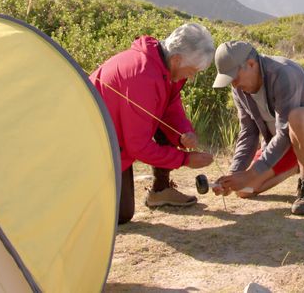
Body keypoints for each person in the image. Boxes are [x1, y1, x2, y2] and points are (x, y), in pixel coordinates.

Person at [89, 23, 216, 224]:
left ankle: (161, 190)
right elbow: (138, 146)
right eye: (191, 71)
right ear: (177, 59)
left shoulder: (163, 65)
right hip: (94, 147)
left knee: (121, 213)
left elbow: (170, 106)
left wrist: (184, 133)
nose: (191, 77)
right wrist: (185, 160)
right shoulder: (142, 77)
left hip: (116, 139)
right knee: (119, 216)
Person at [210, 41, 304, 215]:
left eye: (234, 77)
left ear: (251, 64)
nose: (234, 85)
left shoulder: (284, 72)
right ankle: (301, 164)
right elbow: (249, 132)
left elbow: (284, 131)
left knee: (298, 117)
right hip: (287, 142)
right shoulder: (239, 89)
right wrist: (234, 175)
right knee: (244, 189)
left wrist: (252, 172)